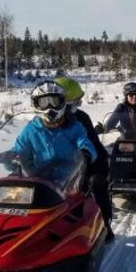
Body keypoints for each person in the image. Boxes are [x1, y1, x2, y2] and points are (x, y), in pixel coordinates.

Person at [54, 76, 115, 242]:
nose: (76, 107)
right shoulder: (43, 120)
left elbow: (93, 144)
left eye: (77, 103)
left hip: (81, 167)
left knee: (97, 182)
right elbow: (30, 141)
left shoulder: (81, 119)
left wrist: (99, 164)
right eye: (74, 103)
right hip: (51, 169)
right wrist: (17, 155)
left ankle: (105, 224)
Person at [11, 81, 97, 185]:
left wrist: (86, 154)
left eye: (54, 102)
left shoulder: (74, 127)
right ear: (35, 104)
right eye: (44, 102)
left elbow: (86, 144)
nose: (49, 107)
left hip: (69, 182)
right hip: (38, 181)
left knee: (94, 187)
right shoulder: (31, 130)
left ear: (62, 102)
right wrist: (10, 157)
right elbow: (19, 150)